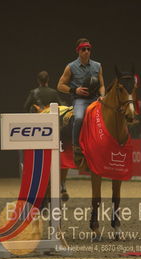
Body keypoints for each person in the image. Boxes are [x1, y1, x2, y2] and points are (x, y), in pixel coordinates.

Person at [57, 38, 105, 167]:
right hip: (80, 100)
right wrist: (75, 90)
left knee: (108, 118)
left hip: (95, 99)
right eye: (83, 49)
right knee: (78, 118)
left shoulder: (97, 66)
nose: (86, 52)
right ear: (78, 51)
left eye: (88, 49)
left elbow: (101, 85)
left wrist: (102, 95)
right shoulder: (71, 67)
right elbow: (60, 85)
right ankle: (76, 147)